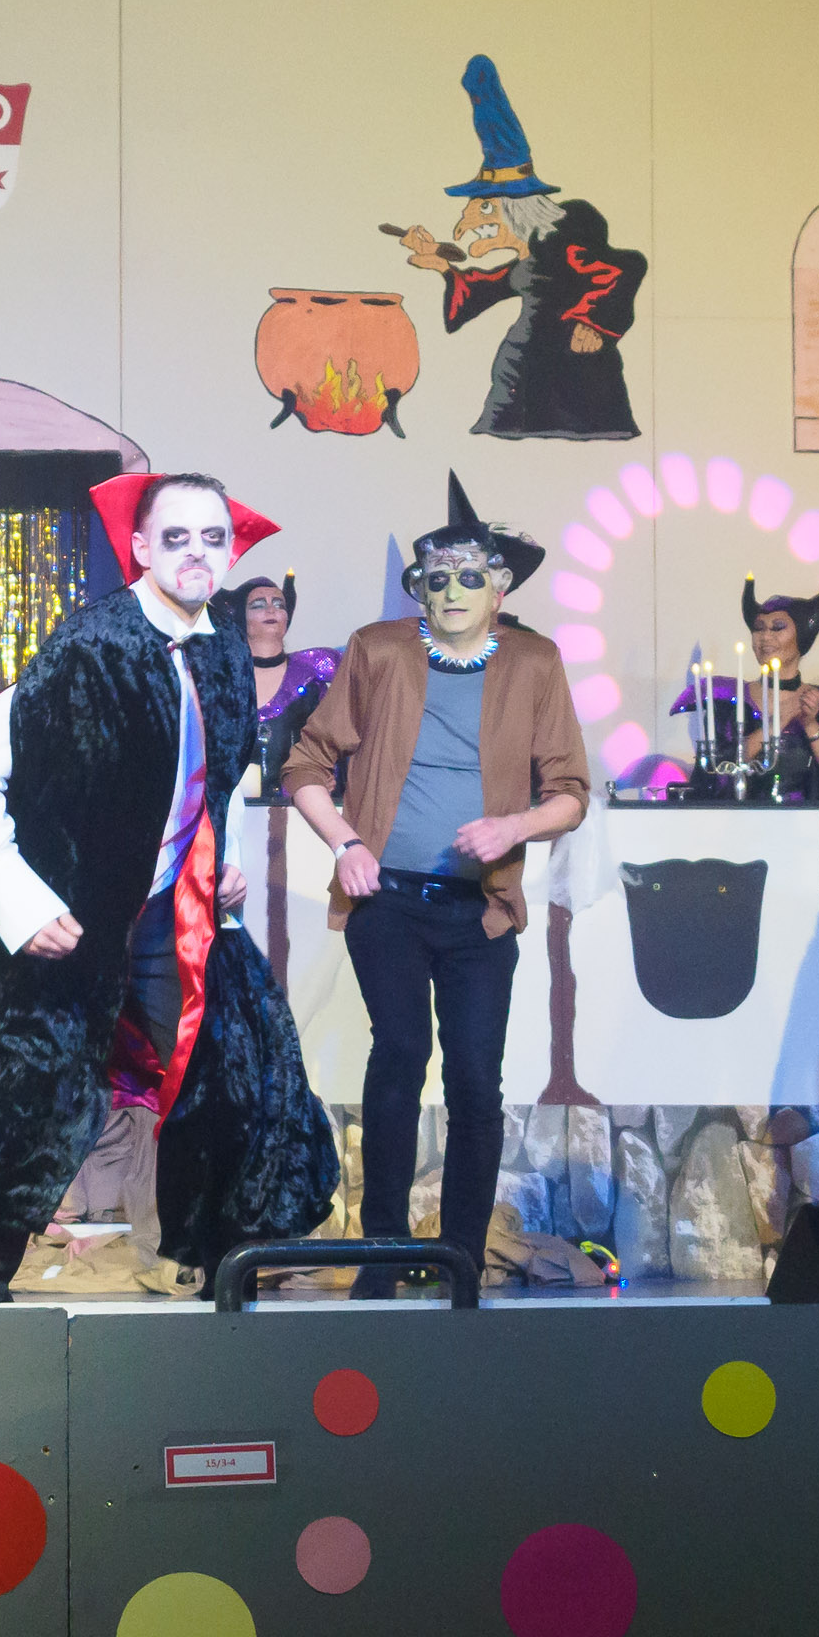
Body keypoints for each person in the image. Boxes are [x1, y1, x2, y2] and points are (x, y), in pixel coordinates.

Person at [0, 471, 339, 1299]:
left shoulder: (225, 651)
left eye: (213, 538)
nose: (197, 553)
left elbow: (211, 776)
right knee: (32, 1089)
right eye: (177, 537)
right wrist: (24, 901)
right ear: (143, 548)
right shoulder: (91, 647)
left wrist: (220, 857)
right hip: (70, 916)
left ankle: (222, 1273)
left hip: (171, 912)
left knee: (238, 1072)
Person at [283, 477, 589, 1287]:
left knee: (475, 1081)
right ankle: (383, 1251)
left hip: (480, 911)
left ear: (500, 588)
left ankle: (458, 1255)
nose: (452, 592)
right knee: (401, 1052)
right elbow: (306, 765)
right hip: (387, 900)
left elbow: (570, 792)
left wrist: (513, 827)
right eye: (437, 578)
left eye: (470, 577)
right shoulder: (380, 650)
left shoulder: (534, 662)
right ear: (420, 588)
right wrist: (346, 842)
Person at [387, 55, 647, 445]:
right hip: (523, 382)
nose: (469, 222)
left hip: (572, 385)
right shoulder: (531, 257)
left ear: (516, 209)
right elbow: (489, 285)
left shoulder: (568, 247)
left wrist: (594, 323)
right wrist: (442, 266)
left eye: (485, 208)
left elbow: (626, 267)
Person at [678, 573, 819, 800]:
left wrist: (810, 724)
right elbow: (712, 777)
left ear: (801, 636)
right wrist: (777, 722)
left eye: (777, 628)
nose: (765, 637)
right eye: (758, 628)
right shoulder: (728, 703)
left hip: (807, 820)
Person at [228, 573, 338, 794]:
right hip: (233, 805)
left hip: (298, 803)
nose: (271, 610)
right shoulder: (220, 680)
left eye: (279, 604)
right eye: (258, 605)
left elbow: (328, 743)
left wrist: (326, 775)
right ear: (240, 617)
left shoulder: (309, 680)